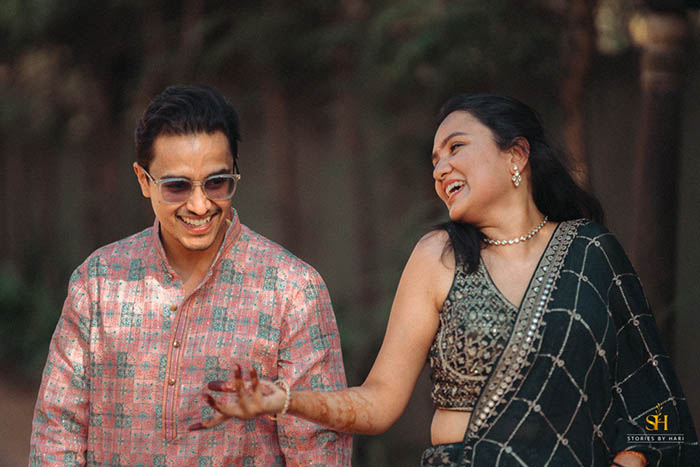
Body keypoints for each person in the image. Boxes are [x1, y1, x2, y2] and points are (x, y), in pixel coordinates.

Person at [190, 94, 699, 466]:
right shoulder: (439, 256)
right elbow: (379, 401)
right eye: (434, 160)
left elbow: (655, 405)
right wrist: (284, 399)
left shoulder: (591, 252)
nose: (440, 169)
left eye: (456, 148)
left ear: (516, 154)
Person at [29, 84, 352, 466]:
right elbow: (57, 433)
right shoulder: (98, 282)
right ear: (143, 180)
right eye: (177, 186)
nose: (200, 205)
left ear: (235, 173)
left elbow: (319, 451)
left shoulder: (292, 291)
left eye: (216, 182)